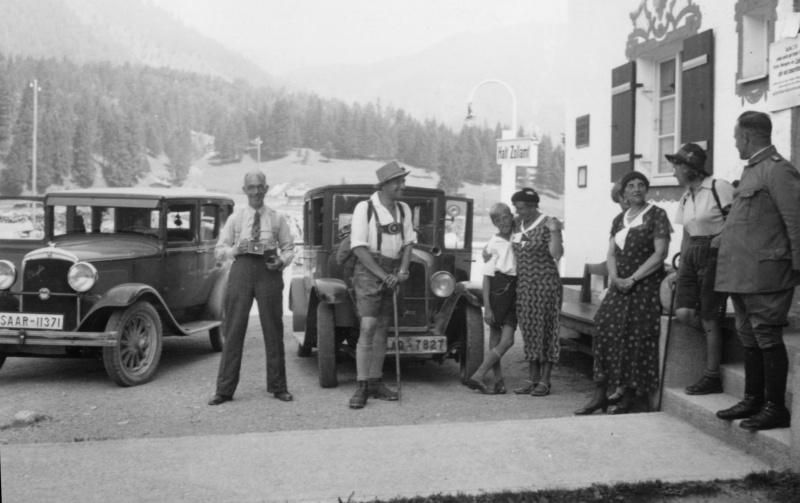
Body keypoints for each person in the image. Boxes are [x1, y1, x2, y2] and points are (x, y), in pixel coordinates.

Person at [715, 111, 800, 430]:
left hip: (767, 274)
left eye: (736, 137)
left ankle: (775, 407)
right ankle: (753, 399)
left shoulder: (778, 171)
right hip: (743, 274)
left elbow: (796, 221)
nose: (735, 143)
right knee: (749, 335)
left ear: (747, 137)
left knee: (766, 335)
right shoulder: (753, 171)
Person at [575, 171, 672, 415]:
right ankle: (601, 395)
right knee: (604, 328)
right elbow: (611, 254)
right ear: (624, 192)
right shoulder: (620, 219)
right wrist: (616, 278)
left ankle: (628, 395)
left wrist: (633, 278)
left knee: (634, 335)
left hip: (645, 286)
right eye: (631, 185)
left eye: (641, 185)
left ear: (646, 189)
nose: (637, 189)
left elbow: (660, 254)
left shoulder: (657, 215)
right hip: (620, 284)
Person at [208, 171, 295, 405]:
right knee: (234, 330)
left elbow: (288, 248)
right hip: (241, 273)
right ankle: (224, 390)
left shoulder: (277, 218)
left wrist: (281, 261)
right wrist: (235, 250)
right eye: (251, 187)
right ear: (244, 190)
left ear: (266, 189)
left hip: (269, 274)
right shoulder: (236, 219)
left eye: (259, 187)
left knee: (274, 331)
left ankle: (279, 387)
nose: (255, 191)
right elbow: (219, 250)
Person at [347, 161, 416, 409]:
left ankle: (375, 381)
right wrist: (381, 274)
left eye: (403, 181)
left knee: (383, 327)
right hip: (368, 270)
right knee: (368, 326)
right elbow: (358, 247)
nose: (402, 186)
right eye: (398, 181)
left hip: (393, 271)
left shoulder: (404, 209)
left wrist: (402, 271)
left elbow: (409, 243)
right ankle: (362, 384)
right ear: (384, 185)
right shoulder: (364, 208)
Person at [667, 143, 733, 396]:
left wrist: (719, 240)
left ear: (691, 168)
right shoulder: (686, 196)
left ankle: (712, 375)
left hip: (714, 255)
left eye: (677, 166)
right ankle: (717, 336)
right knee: (683, 312)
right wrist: (681, 268)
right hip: (692, 254)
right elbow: (686, 233)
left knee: (708, 315)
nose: (674, 172)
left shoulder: (718, 187)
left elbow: (736, 218)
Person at [510, 187, 563, 397]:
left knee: (547, 332)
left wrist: (554, 231)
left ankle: (545, 380)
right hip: (524, 286)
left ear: (533, 207)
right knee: (530, 332)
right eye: (516, 207)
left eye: (521, 208)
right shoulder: (517, 223)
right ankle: (531, 379)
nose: (518, 211)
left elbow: (557, 254)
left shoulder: (548, 223)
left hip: (546, 286)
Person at [465, 202, 517, 395]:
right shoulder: (493, 244)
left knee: (507, 340)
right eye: (497, 220)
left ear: (511, 217)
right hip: (498, 291)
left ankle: (478, 376)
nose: (502, 222)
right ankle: (498, 381)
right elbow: (486, 278)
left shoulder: (517, 234)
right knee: (498, 339)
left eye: (505, 218)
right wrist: (487, 307)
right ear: (493, 223)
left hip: (515, 289)